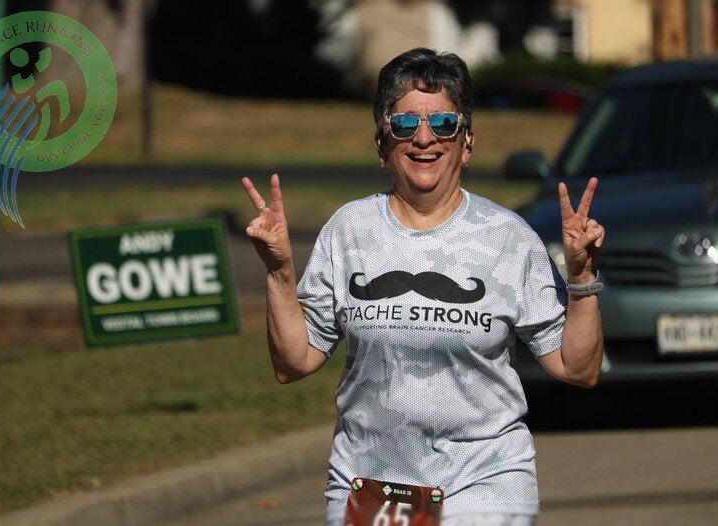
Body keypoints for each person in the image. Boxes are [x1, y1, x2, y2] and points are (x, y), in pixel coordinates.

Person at [241, 48, 604, 526]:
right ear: (381, 142)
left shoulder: (508, 239)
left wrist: (580, 280)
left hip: (484, 481)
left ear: (468, 141)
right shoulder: (349, 231)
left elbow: (579, 368)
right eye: (405, 125)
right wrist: (279, 272)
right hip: (371, 485)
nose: (425, 140)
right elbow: (293, 363)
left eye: (444, 124)